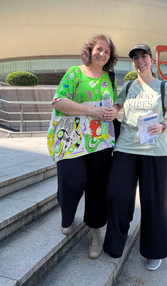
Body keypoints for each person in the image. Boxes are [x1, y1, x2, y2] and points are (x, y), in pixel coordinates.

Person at [103, 43, 167, 271]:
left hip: (154, 152)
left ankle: (154, 250)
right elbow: (117, 107)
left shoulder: (162, 86)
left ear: (151, 60)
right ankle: (117, 241)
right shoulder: (127, 86)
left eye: (144, 56)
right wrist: (112, 111)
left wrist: (163, 125)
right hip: (126, 148)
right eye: (135, 58)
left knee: (154, 201)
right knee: (116, 193)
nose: (140, 61)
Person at [47, 34, 119, 259]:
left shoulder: (110, 77)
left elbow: (114, 102)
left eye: (107, 51)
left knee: (98, 187)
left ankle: (96, 230)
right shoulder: (74, 73)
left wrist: (114, 110)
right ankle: (67, 215)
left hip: (101, 141)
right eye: (99, 49)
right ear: (90, 50)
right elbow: (59, 101)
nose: (102, 54)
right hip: (74, 139)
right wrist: (91, 110)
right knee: (72, 180)